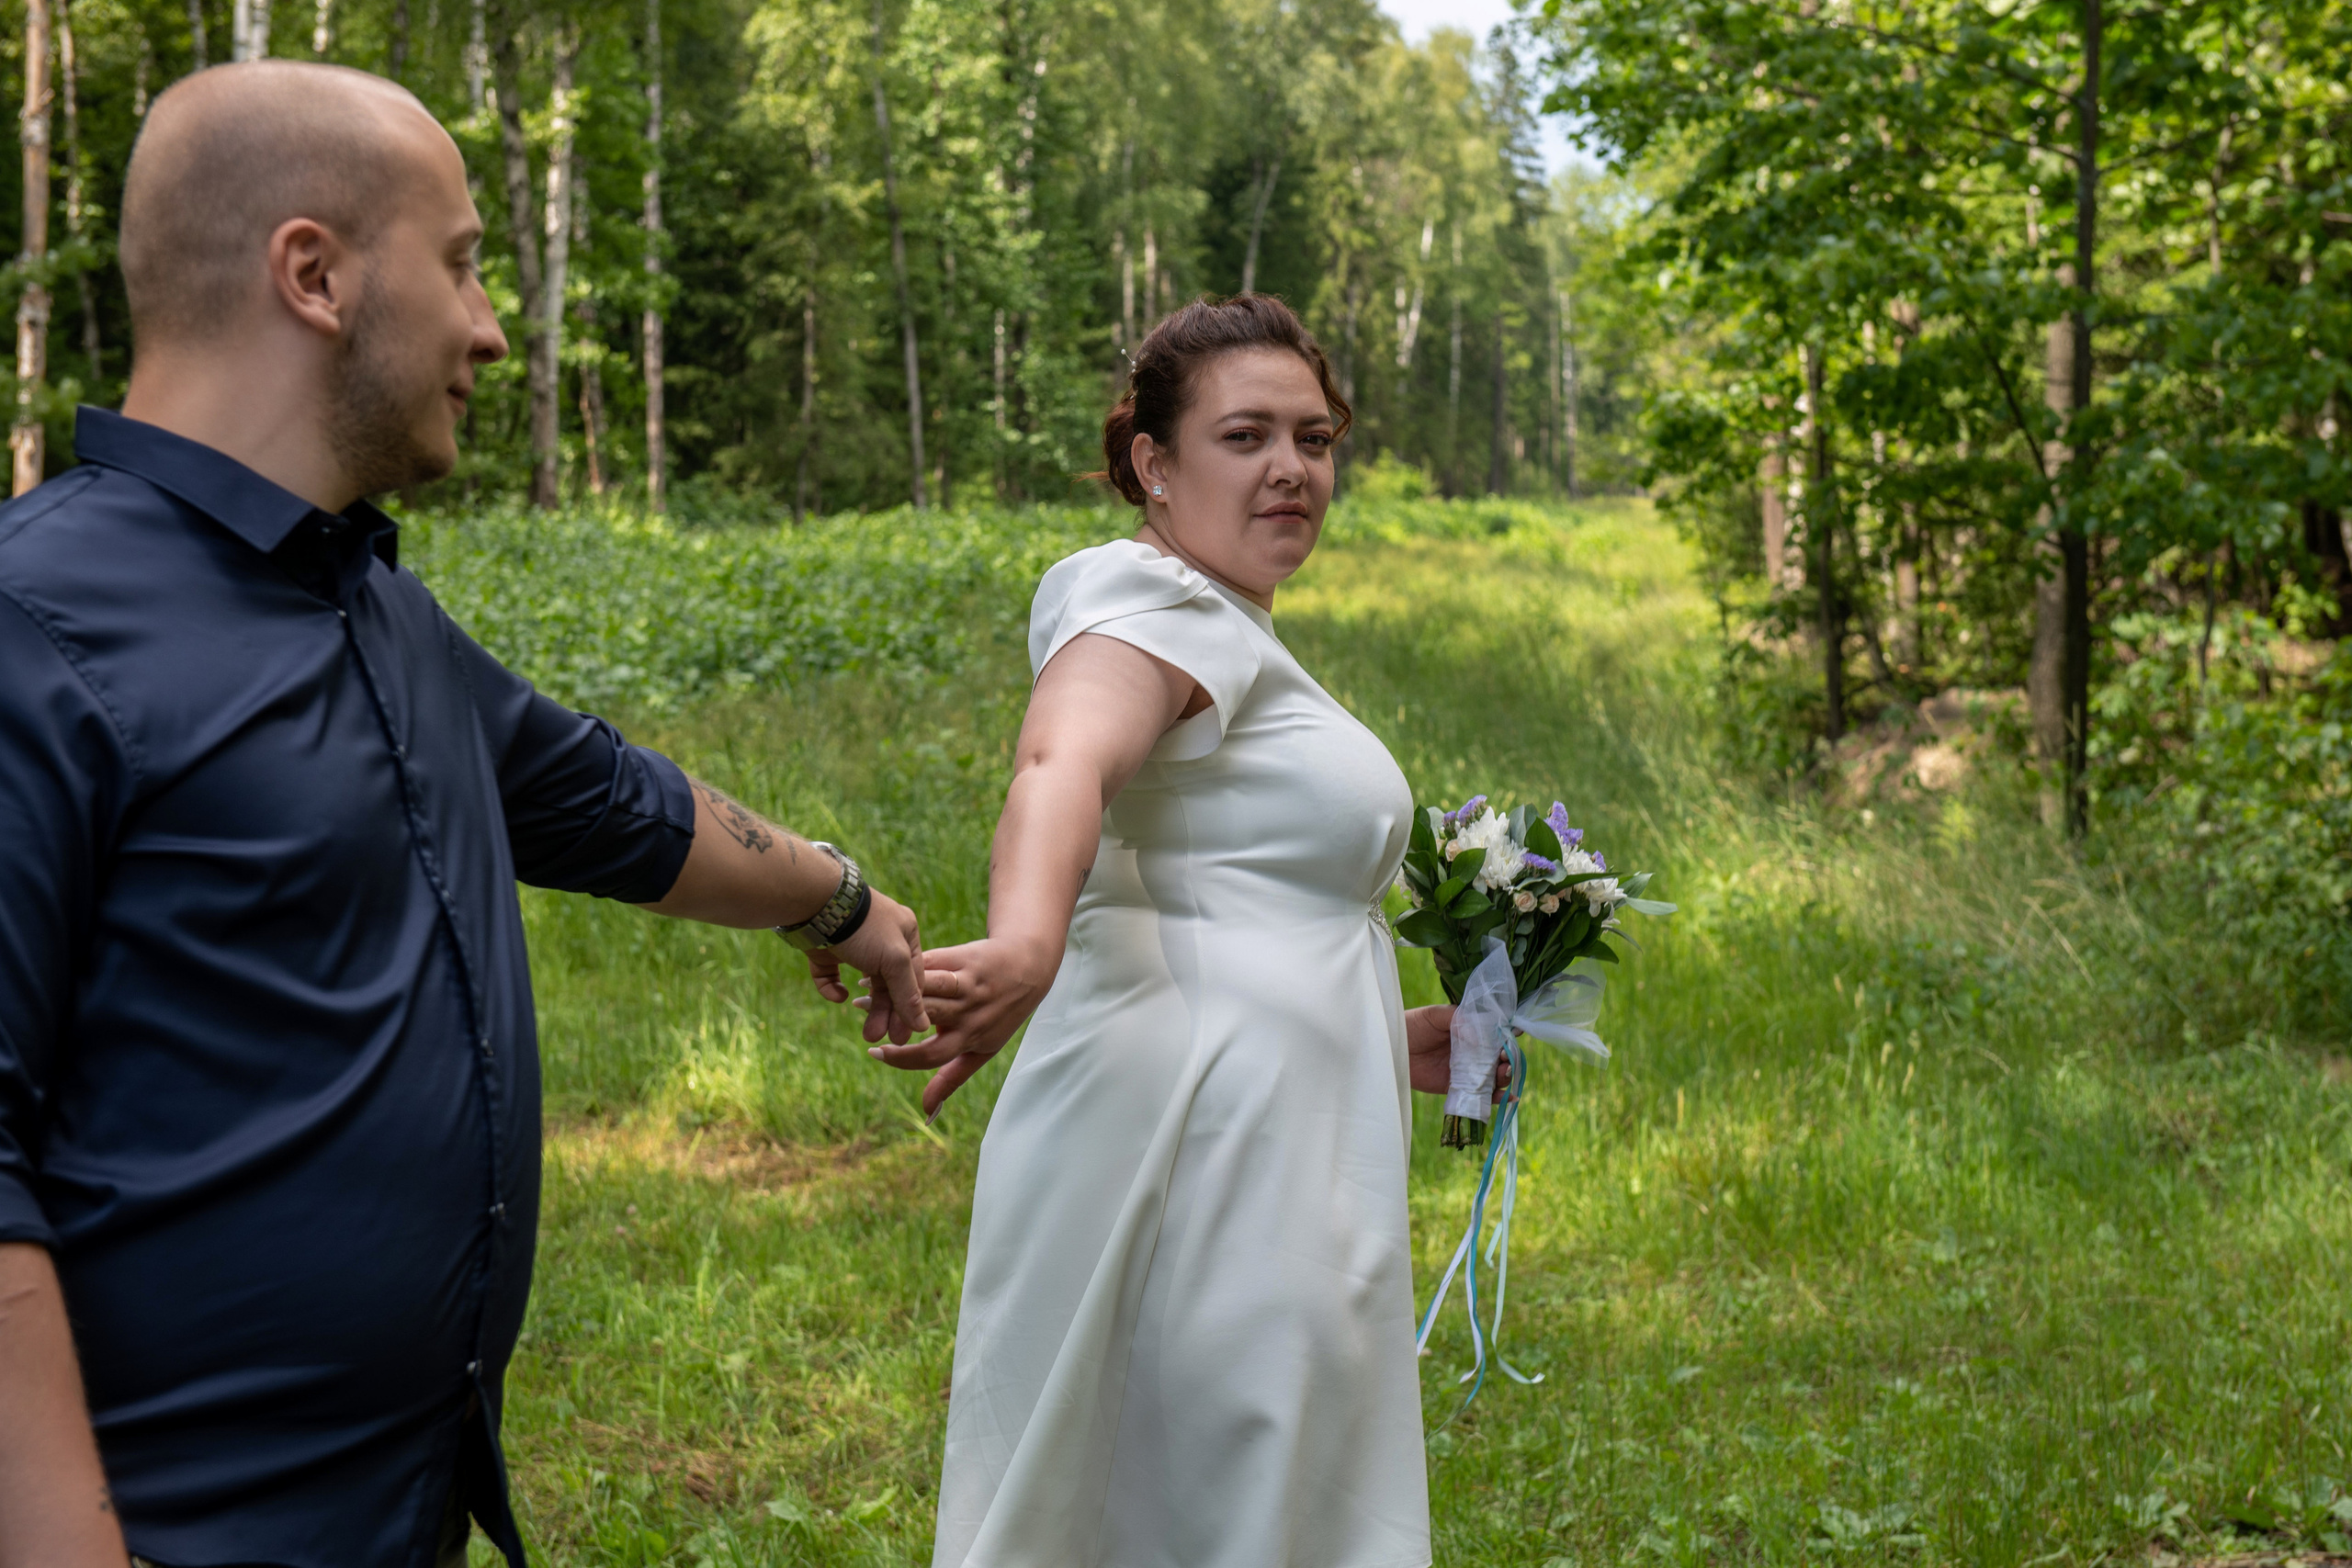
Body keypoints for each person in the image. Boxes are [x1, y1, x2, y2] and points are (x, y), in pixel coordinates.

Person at [0, 62, 929, 1568]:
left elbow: (616, 802)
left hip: (399, 1515)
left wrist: (845, 905)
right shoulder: (35, 630)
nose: (491, 327)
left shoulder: (367, 606)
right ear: (314, 274)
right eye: (462, 263)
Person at [877, 295, 1458, 1568]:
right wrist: (1025, 940)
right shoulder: (1148, 595)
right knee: (1211, 1477)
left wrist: (1389, 1035)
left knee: (1241, 1468)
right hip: (1200, 1130)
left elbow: (1222, 884)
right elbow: (1061, 765)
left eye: (1315, 438)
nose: (1292, 469)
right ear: (1154, 461)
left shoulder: (1229, 624)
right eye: (1245, 436)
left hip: (1274, 1119)